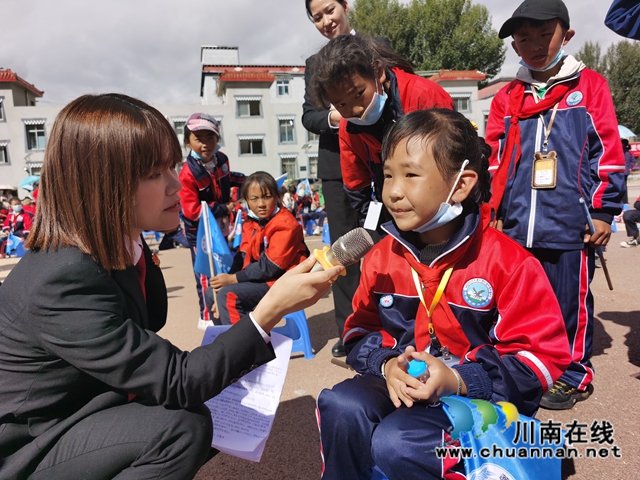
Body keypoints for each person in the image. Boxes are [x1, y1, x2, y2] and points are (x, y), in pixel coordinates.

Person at [0, 93, 343, 480]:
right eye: (153, 173)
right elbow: (178, 380)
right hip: (28, 446)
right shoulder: (61, 276)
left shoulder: (117, 248)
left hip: (82, 408)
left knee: (216, 408)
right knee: (181, 429)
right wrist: (269, 309)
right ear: (101, 184)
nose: (174, 185)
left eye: (172, 167)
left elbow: (153, 337)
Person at [317, 109, 571, 479]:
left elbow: (542, 359)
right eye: (388, 175)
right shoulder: (381, 257)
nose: (394, 190)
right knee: (342, 405)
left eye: (410, 175)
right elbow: (358, 332)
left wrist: (460, 380)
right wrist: (388, 365)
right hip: (407, 388)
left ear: (462, 184)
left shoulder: (508, 262)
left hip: (479, 397)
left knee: (398, 442)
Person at [485, 0, 625, 410]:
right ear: (514, 46)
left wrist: (602, 211)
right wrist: (491, 213)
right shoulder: (509, 96)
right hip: (515, 225)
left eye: (544, 34)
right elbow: (494, 160)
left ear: (566, 35)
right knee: (519, 299)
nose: (534, 45)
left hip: (570, 222)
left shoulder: (590, 86)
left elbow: (610, 152)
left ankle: (572, 373)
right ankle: (525, 363)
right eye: (524, 38)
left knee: (569, 301)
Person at [309, 34, 453, 231]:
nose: (356, 110)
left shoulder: (424, 95)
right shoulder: (347, 129)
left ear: (378, 72)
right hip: (392, 216)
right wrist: (380, 227)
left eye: (358, 94)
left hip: (439, 207)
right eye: (341, 104)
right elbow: (356, 185)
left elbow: (453, 161)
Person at [210, 171, 309, 325]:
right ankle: (224, 342)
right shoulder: (251, 222)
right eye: (254, 199)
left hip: (283, 281)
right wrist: (227, 279)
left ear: (277, 197)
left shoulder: (286, 224)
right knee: (213, 293)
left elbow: (271, 267)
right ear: (247, 201)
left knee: (227, 295)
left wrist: (234, 279)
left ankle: (242, 347)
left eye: (267, 197)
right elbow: (242, 256)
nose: (261, 204)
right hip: (264, 280)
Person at [178, 113, 245, 330]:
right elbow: (191, 211)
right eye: (198, 138)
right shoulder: (188, 173)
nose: (205, 144)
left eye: (210, 137)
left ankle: (225, 306)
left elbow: (227, 178)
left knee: (226, 264)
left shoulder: (222, 160)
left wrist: (248, 181)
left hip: (222, 226)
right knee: (206, 272)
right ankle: (207, 317)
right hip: (201, 231)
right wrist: (222, 208)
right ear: (188, 142)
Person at [622, 138, 636, 204]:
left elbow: (633, 160)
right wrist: (630, 167)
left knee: (621, 186)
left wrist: (629, 167)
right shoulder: (628, 152)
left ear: (623, 144)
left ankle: (623, 200)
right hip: (625, 172)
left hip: (622, 172)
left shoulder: (623, 151)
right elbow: (633, 160)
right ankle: (625, 201)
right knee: (624, 186)